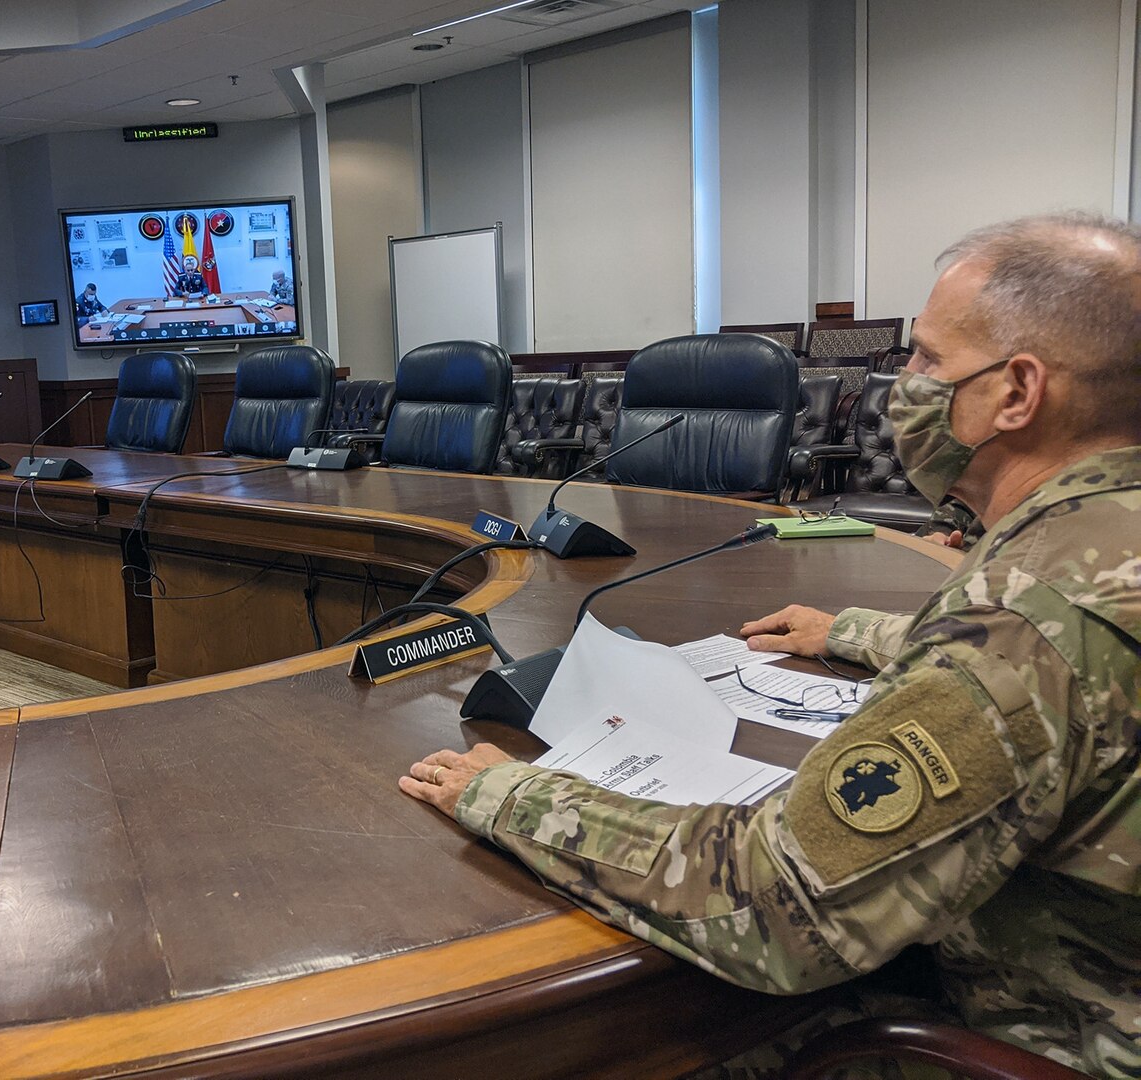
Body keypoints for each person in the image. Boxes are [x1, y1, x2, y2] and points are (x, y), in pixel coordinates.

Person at [399, 212, 1140, 1078]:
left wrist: (511, 796)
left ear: (1016, 391)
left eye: (928, 360)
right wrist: (860, 633)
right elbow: (1080, 668)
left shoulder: (1021, 614)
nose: (901, 383)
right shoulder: (1088, 560)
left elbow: (781, 904)